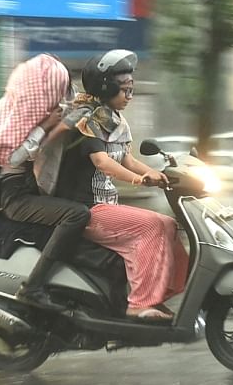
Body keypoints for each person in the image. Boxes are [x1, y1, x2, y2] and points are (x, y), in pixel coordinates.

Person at [48, 49, 189, 322]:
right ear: (106, 87)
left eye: (131, 89)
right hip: (86, 209)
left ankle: (161, 294)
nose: (129, 96)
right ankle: (139, 304)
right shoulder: (86, 120)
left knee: (170, 225)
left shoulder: (113, 120)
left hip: (106, 206)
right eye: (124, 90)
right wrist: (139, 180)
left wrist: (161, 175)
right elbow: (102, 161)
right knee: (153, 225)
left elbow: (126, 158)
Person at [0, 54, 90, 309]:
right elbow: (15, 156)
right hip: (16, 195)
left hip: (23, 191)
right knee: (76, 215)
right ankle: (32, 288)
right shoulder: (17, 121)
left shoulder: (10, 113)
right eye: (56, 91)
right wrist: (47, 127)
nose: (61, 99)